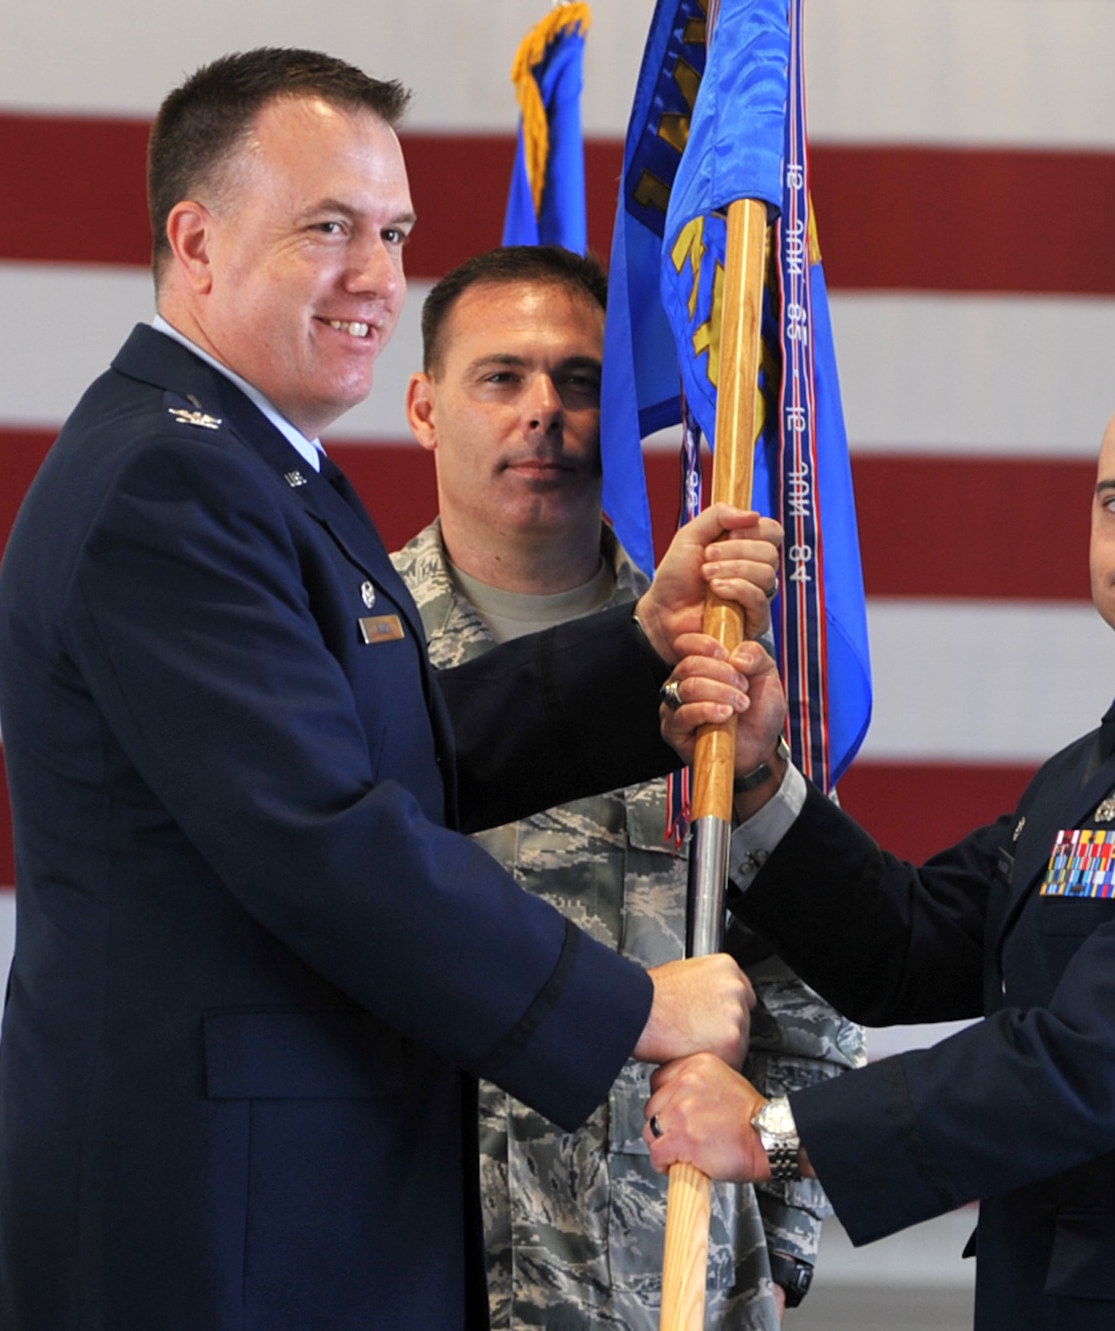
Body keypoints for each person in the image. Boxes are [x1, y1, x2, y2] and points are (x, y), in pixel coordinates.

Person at [0, 50, 784, 1330]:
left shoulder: (257, 464)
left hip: (286, 1196)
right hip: (213, 1223)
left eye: (394, 232)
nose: (376, 276)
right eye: (328, 229)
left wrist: (640, 645)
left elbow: (383, 750)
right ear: (194, 242)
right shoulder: (168, 484)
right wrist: (628, 1003)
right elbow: (320, 835)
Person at [646, 367, 1115, 1330]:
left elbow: (1094, 1059)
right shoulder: (1102, 766)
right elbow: (910, 945)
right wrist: (761, 779)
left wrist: (775, 1133)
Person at [389, 245, 863, 1328]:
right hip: (405, 1272)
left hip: (663, 1284)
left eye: (582, 380)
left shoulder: (714, 668)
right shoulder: (344, 662)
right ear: (423, 406)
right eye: (499, 377)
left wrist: (777, 1243)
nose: (543, 412)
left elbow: (814, 975)